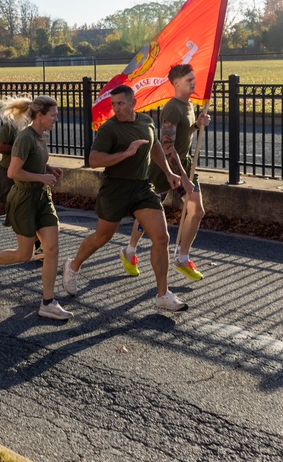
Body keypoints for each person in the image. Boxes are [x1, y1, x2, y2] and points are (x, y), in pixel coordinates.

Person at [61, 84, 189, 312]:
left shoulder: (146, 122)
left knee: (161, 237)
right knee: (103, 236)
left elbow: (155, 146)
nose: (116, 109)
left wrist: (169, 172)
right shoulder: (109, 129)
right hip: (115, 188)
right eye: (113, 105)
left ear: (133, 103)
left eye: (120, 104)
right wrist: (125, 153)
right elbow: (94, 160)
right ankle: (73, 265)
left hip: (142, 187)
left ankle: (163, 295)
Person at [0, 95, 72, 320]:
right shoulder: (25, 137)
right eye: (53, 115)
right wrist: (42, 177)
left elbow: (33, 160)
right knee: (24, 254)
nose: (57, 119)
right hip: (24, 199)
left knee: (52, 249)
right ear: (40, 116)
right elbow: (13, 172)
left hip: (42, 198)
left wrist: (49, 167)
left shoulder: (42, 135)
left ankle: (48, 302)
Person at [126, 64, 210, 281]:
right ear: (176, 84)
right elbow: (167, 146)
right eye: (188, 80)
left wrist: (197, 125)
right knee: (149, 215)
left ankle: (182, 258)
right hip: (165, 167)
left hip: (184, 163)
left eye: (193, 78)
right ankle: (130, 250)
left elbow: (182, 134)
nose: (193, 82)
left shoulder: (189, 105)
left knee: (197, 211)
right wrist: (182, 175)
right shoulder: (172, 108)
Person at [0, 100, 44, 259]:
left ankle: (38, 246)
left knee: (31, 208)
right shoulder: (11, 126)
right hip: (8, 172)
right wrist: (19, 149)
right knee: (2, 207)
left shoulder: (36, 128)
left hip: (27, 172)